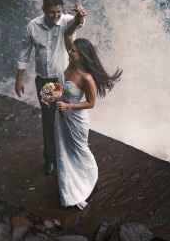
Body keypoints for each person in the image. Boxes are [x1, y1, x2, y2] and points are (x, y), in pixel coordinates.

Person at [52, 23, 122, 210]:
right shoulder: (69, 65)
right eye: (71, 50)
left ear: (82, 55)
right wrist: (77, 18)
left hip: (75, 118)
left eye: (74, 51)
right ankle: (68, 189)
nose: (70, 53)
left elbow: (91, 103)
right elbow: (67, 34)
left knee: (79, 150)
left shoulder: (87, 78)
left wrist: (69, 106)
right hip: (61, 115)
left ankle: (87, 180)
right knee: (63, 151)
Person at [15, 0, 86, 175]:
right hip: (46, 82)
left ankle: (70, 157)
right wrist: (19, 79)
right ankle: (50, 159)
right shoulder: (33, 26)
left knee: (66, 118)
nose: (56, 16)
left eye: (58, 12)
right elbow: (24, 54)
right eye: (52, 12)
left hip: (63, 78)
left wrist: (80, 15)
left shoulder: (65, 21)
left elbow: (76, 23)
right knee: (48, 120)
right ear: (44, 10)